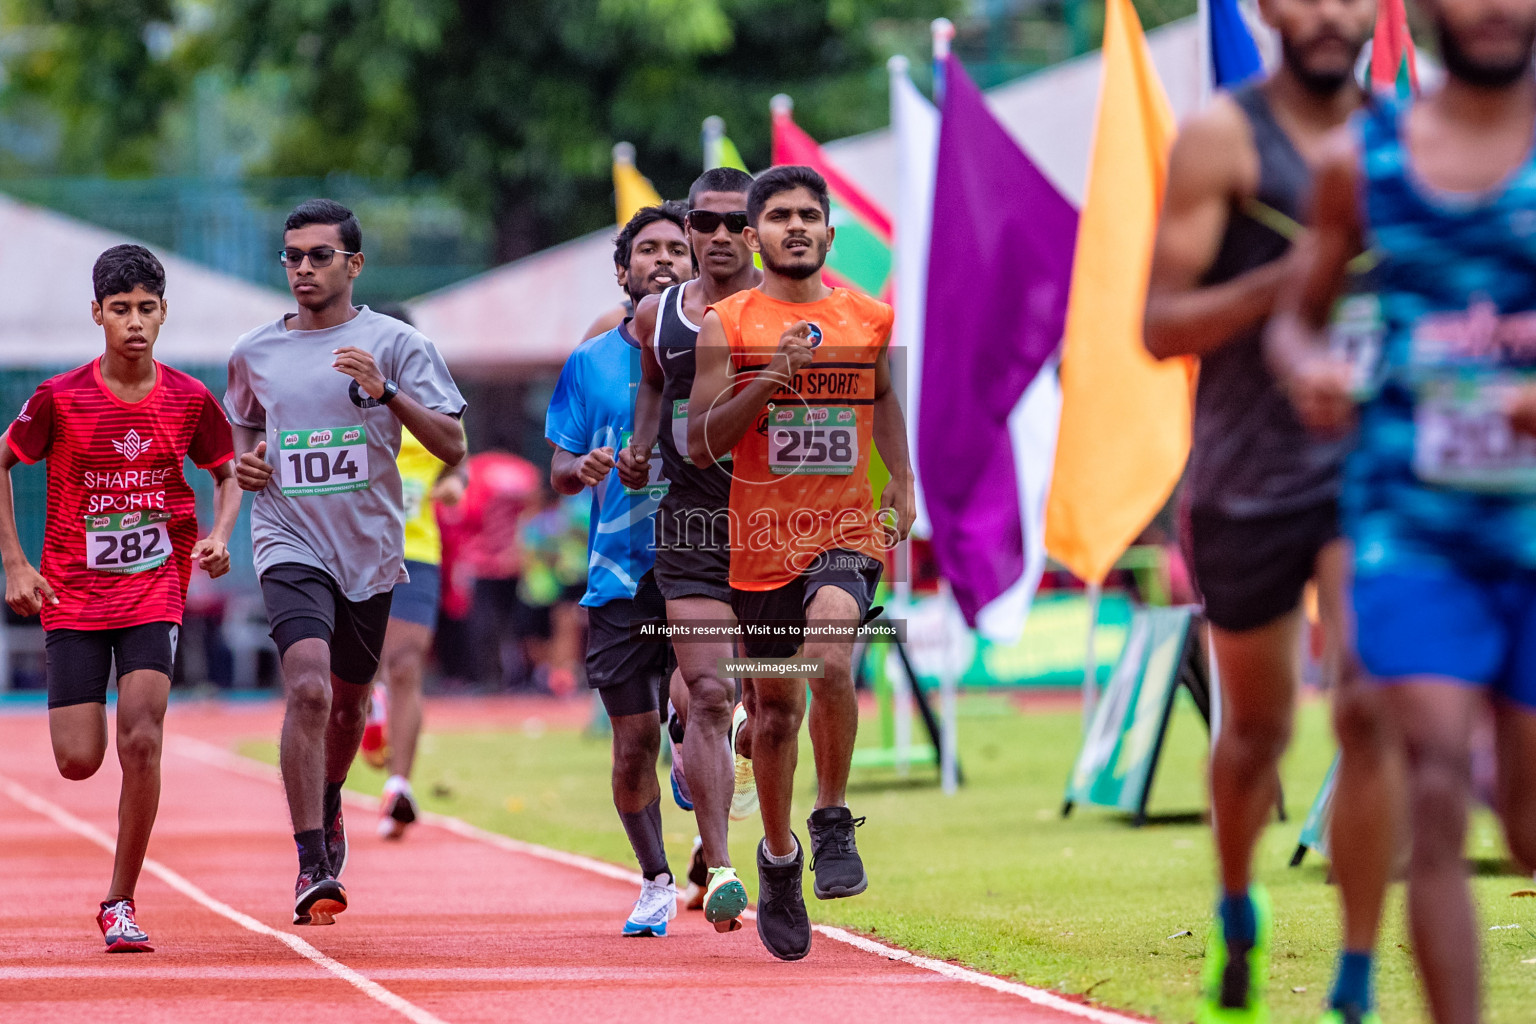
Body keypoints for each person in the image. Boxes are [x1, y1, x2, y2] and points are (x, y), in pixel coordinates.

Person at [1270, 0, 1536, 1017]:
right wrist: (1314, 368)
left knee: (1524, 826)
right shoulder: (1361, 160)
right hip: (1411, 521)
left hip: (1530, 527)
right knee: (1430, 771)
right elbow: (1300, 316)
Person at [1143, 2, 1399, 1021]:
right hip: (1246, 476)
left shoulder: (1399, 138)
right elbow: (1160, 326)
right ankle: (1239, 904)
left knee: (1368, 705)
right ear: (1267, 12)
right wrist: (1282, 286)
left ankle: (1357, 975)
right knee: (1256, 727)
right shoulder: (1222, 137)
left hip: (1366, 467)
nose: (1329, 13)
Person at [688, 166, 915, 961]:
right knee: (776, 712)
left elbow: (884, 399)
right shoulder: (728, 322)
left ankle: (831, 817)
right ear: (754, 236)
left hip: (845, 528)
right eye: (779, 215)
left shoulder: (869, 318)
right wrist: (767, 383)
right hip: (759, 544)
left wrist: (907, 483)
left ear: (828, 231)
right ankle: (780, 859)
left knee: (831, 647)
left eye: (809, 215)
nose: (795, 226)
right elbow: (701, 440)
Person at [226, 199, 466, 926]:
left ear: (353, 264)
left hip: (369, 548)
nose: (303, 267)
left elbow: (453, 444)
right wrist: (247, 464)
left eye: (319, 255)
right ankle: (309, 862)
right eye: (292, 256)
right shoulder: (254, 352)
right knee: (308, 689)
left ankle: (330, 800)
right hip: (288, 539)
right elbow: (241, 422)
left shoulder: (396, 344)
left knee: (351, 702)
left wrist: (387, 392)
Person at [0, 244, 240, 952]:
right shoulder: (59, 397)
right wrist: (14, 561)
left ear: (163, 314)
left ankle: (119, 900)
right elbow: (3, 461)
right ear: (98, 315)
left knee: (141, 736)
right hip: (73, 590)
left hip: (154, 587)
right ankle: (116, 885)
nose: (134, 322)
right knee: (79, 760)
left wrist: (222, 534)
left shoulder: (190, 399)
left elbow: (226, 475)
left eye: (146, 309)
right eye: (120, 310)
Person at [620, 167, 761, 926]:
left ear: (758, 230)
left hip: (778, 522)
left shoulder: (793, 314)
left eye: (732, 223)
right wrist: (641, 446)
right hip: (693, 520)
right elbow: (651, 386)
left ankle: (762, 844)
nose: (714, 237)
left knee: (771, 702)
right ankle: (725, 866)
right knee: (710, 691)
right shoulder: (659, 315)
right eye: (701, 223)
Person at [546, 202, 693, 937]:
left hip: (700, 562)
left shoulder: (719, 351)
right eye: (649, 250)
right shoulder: (591, 360)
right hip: (617, 574)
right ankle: (657, 879)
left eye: (677, 247)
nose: (663, 259)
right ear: (623, 269)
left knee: (701, 699)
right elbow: (560, 469)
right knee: (632, 739)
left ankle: (692, 753)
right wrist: (586, 465)